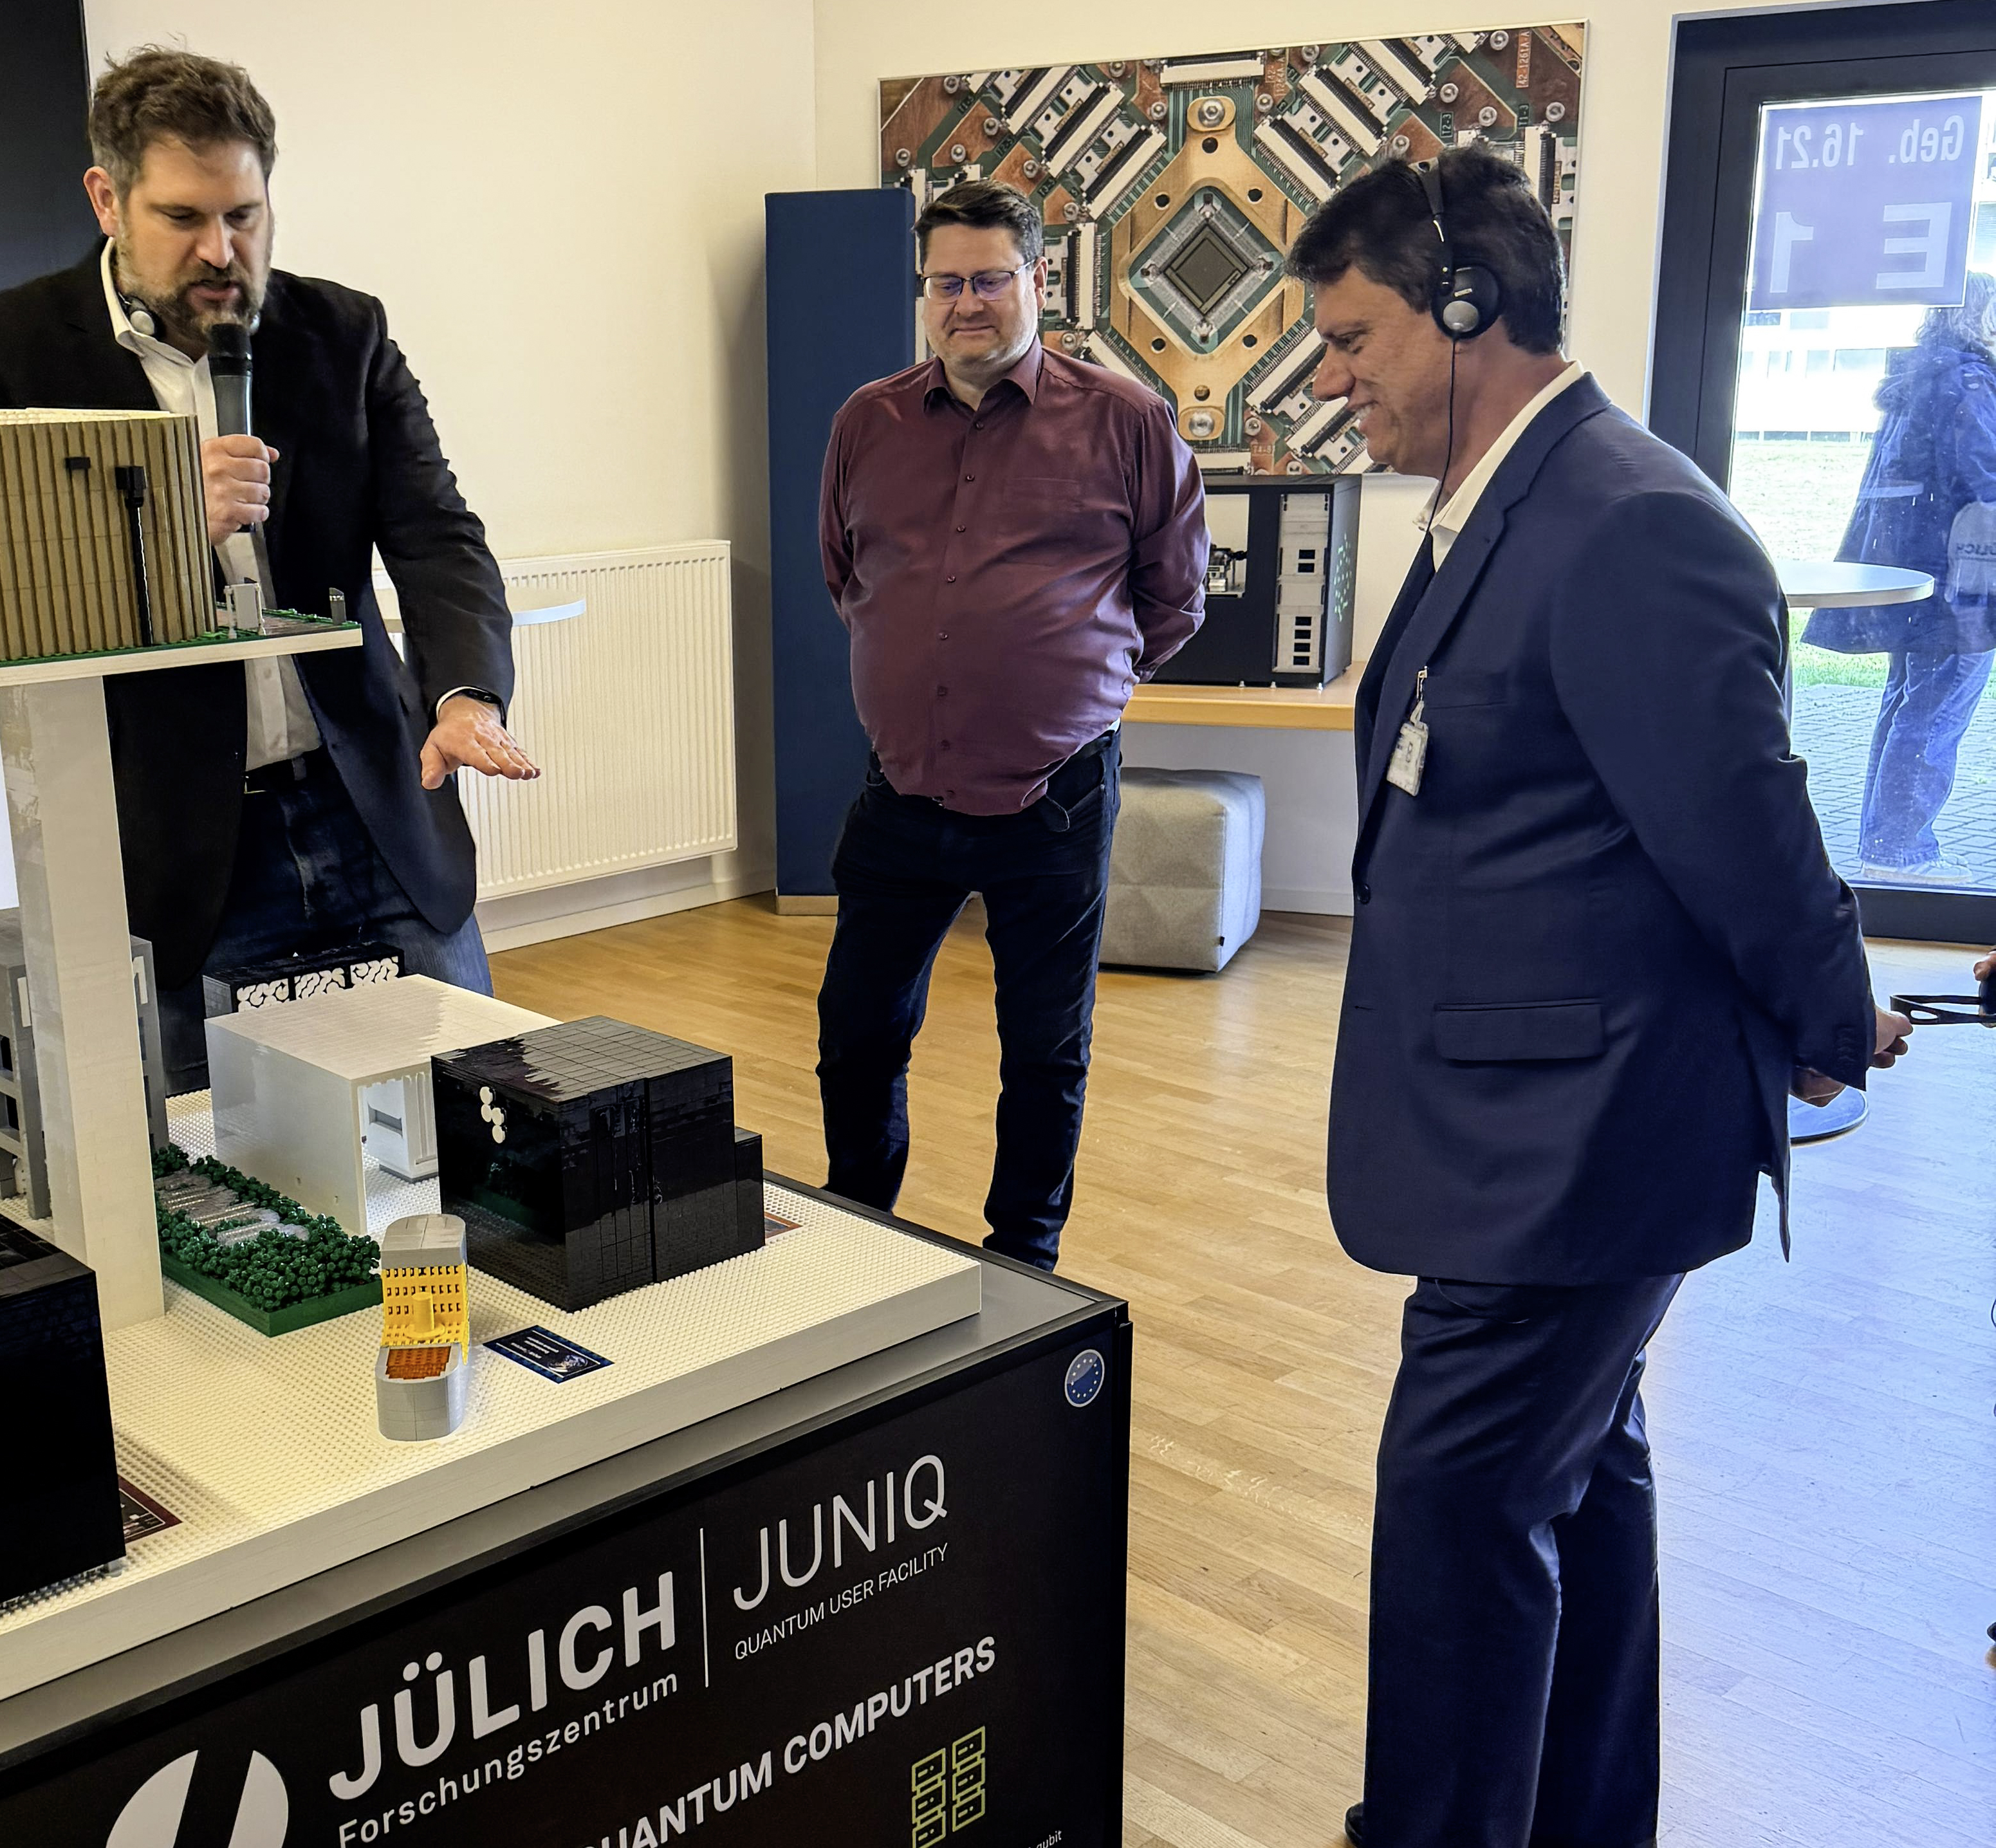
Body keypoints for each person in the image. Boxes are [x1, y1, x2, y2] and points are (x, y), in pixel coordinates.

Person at [1292, 147, 1913, 1848]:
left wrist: (1829, 1017)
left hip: (1582, 1148)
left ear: (1467, 308)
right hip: (1523, 1124)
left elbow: (1748, 833)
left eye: (1351, 340)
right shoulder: (1504, 505)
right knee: (1578, 1483)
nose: (1330, 383)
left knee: (1460, 1512)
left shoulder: (1629, 523)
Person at [0, 48, 536, 1090]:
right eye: (183, 218)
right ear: (107, 200)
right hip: (182, 847)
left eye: (245, 215)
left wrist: (465, 696)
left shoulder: (344, 332)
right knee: (218, 1156)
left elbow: (438, 535)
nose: (221, 251)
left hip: (374, 806)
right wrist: (170, 524)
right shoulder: (12, 348)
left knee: (474, 1117)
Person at [813, 179, 1207, 1273]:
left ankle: (1025, 1258)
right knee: (857, 1033)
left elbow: (1174, 598)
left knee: (1043, 1050)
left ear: (1038, 279)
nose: (966, 303)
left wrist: (1071, 686)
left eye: (989, 279)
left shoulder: (1126, 421)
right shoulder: (867, 422)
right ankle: (859, 1228)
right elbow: (847, 576)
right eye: (945, 284)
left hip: (1056, 797)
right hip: (901, 791)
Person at [1807, 272, 1996, 885]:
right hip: (1960, 584)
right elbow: (1986, 478)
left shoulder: (1923, 378)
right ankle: (1899, 852)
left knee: (1910, 706)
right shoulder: (1967, 383)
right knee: (1935, 712)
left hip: (1918, 573)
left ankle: (1884, 845)